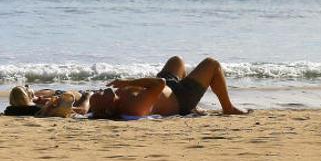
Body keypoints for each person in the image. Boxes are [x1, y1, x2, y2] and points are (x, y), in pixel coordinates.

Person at [90, 56, 248, 119]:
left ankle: (195, 108)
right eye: (99, 95)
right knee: (212, 64)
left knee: (176, 60)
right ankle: (228, 107)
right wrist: (128, 82)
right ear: (108, 108)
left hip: (168, 85)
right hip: (182, 97)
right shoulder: (134, 107)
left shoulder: (116, 98)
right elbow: (160, 84)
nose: (99, 91)